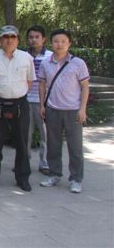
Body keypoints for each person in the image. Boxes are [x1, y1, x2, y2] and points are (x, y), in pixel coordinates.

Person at [0, 25, 36, 192]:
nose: (9, 40)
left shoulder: (26, 58)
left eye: (13, 37)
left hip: (20, 104)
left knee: (21, 142)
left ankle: (22, 178)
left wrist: (16, 93)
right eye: (6, 37)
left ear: (18, 40)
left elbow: (30, 81)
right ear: (0, 40)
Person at [39, 29, 90, 194]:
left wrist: (82, 109)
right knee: (53, 145)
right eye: (56, 41)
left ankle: (76, 179)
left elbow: (85, 87)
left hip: (73, 111)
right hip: (52, 109)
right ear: (51, 43)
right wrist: (42, 105)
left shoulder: (78, 63)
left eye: (63, 41)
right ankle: (54, 174)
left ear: (69, 43)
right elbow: (42, 85)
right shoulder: (46, 63)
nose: (59, 44)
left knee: (75, 148)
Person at [26, 25, 53, 176]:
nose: (34, 40)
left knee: (45, 135)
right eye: (31, 37)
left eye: (37, 37)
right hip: (25, 100)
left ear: (43, 39)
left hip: (43, 102)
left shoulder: (50, 56)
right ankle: (24, 161)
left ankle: (45, 163)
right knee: (25, 134)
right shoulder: (23, 56)